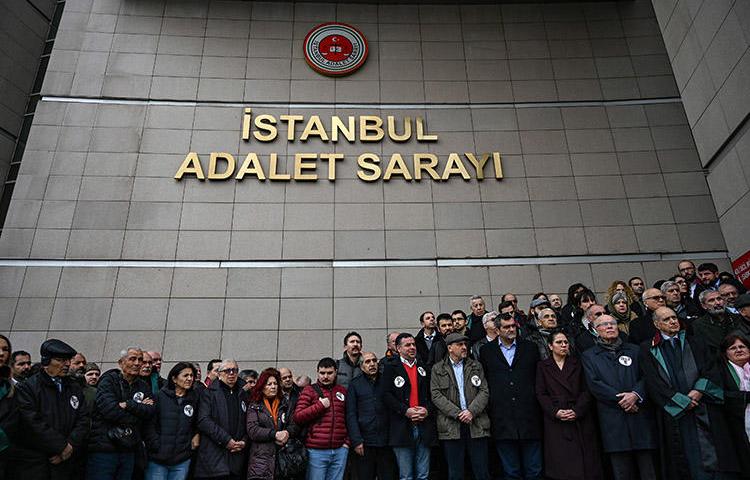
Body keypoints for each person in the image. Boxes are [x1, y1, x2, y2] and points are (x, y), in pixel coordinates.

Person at [640, 306, 740, 480]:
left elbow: (711, 369)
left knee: (715, 453)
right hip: (676, 412)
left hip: (704, 406)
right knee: (687, 456)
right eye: (667, 319)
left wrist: (698, 391)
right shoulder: (649, 349)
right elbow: (653, 381)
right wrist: (680, 400)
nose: (673, 321)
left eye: (674, 317)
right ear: (657, 324)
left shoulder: (696, 342)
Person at [582, 314, 656, 480]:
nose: (609, 327)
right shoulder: (589, 356)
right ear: (595, 330)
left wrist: (635, 395)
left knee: (647, 469)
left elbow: (647, 376)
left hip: (639, 416)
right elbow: (594, 384)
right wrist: (623, 400)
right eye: (604, 324)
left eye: (613, 324)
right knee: (622, 471)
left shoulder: (635, 350)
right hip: (613, 420)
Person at [8, 339, 89, 480]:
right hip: (38, 463)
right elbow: (32, 422)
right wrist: (60, 447)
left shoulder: (74, 387)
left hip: (69, 461)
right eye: (61, 360)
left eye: (68, 360)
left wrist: (70, 446)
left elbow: (83, 419)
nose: (67, 364)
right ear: (46, 361)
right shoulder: (28, 388)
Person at [480, 313, 542, 480]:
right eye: (506, 327)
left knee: (534, 471)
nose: (511, 329)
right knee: (511, 472)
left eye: (513, 326)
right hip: (502, 418)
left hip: (529, 416)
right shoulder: (486, 351)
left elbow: (538, 378)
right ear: (498, 330)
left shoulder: (530, 347)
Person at [536, 331, 602, 480]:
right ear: (550, 346)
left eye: (566, 342)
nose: (564, 345)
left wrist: (577, 410)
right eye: (559, 342)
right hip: (556, 419)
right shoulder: (542, 366)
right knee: (561, 462)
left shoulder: (577, 363)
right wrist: (555, 412)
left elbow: (586, 390)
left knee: (585, 461)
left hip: (579, 416)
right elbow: (541, 393)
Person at [87, 346, 155, 480]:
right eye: (132, 359)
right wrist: (138, 409)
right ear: (121, 363)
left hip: (129, 448)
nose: (137, 363)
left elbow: (149, 412)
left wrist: (128, 405)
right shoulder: (108, 381)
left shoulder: (143, 386)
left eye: (140, 360)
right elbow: (110, 411)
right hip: (104, 448)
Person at [431, 333, 490, 480]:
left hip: (476, 424)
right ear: (450, 348)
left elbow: (484, 391)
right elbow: (436, 395)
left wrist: (471, 411)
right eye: (460, 345)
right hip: (451, 426)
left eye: (465, 344)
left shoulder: (475, 366)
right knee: (455, 472)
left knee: (481, 470)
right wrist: (458, 413)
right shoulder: (438, 369)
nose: (464, 347)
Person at [381, 333, 436, 480]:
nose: (412, 347)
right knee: (406, 475)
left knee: (423, 475)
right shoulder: (390, 367)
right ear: (398, 348)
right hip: (402, 427)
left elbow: (433, 394)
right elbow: (385, 395)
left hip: (424, 426)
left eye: (413, 344)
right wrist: (405, 411)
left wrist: (427, 410)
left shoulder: (423, 367)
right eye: (407, 345)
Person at [293, 357, 349, 480]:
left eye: (329, 373)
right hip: (316, 451)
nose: (325, 376)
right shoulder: (309, 391)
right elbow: (298, 417)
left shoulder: (342, 391)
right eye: (322, 373)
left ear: (336, 372)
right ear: (317, 372)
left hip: (340, 450)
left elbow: (349, 418)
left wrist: (346, 443)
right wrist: (319, 406)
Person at [143, 362, 200, 480]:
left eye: (191, 376)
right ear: (174, 378)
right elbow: (149, 425)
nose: (189, 378)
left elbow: (197, 422)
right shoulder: (159, 397)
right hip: (158, 458)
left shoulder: (195, 399)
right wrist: (155, 445)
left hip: (182, 458)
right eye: (185, 376)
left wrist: (196, 435)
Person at [194, 359, 248, 480]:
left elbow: (247, 422)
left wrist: (244, 441)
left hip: (237, 459)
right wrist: (226, 440)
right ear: (219, 374)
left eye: (234, 370)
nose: (231, 373)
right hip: (214, 460)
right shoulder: (209, 393)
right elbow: (203, 420)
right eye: (227, 370)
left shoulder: (243, 394)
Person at [346, 352, 396, 480]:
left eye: (374, 361)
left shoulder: (386, 381)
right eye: (368, 362)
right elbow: (351, 414)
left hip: (386, 441)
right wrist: (356, 441)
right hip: (365, 442)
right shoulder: (355, 384)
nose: (372, 364)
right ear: (362, 366)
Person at [246, 368, 301, 480]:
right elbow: (252, 430)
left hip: (284, 460)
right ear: (262, 386)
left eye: (275, 383)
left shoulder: (285, 403)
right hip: (261, 461)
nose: (273, 387)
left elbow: (294, 424)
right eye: (269, 384)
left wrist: (287, 433)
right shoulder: (255, 405)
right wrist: (274, 434)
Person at [718, 334, 750, 476]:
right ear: (726, 353)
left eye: (742, 346)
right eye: (733, 348)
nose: (738, 350)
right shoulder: (721, 371)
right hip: (736, 426)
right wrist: (745, 397)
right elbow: (720, 395)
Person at [693, 290, 742, 355]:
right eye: (712, 300)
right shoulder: (698, 325)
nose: (718, 303)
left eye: (719, 299)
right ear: (704, 306)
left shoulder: (738, 319)